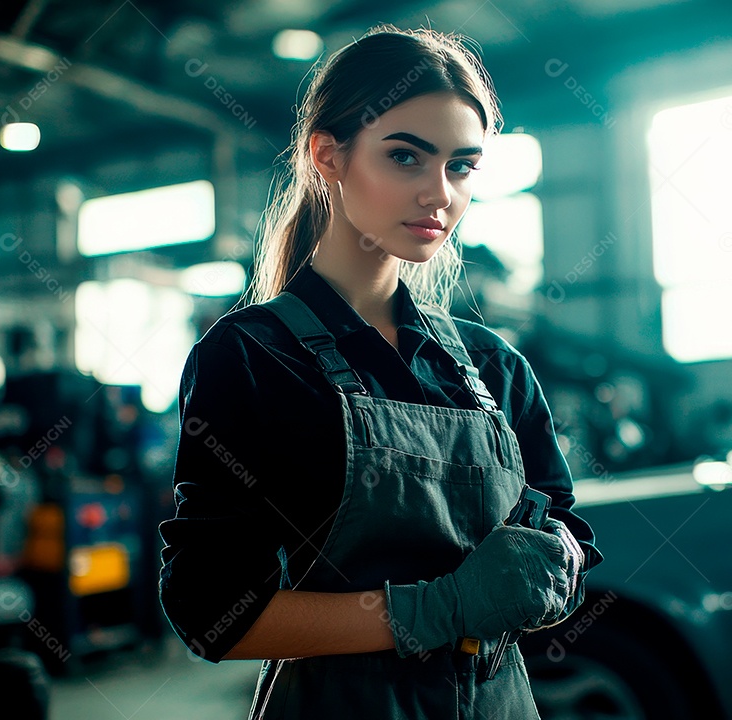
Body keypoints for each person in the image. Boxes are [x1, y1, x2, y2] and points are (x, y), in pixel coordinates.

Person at [157, 23, 604, 719]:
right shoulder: (251, 358)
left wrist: (555, 564)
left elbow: (569, 537)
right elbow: (213, 614)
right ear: (327, 155)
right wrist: (438, 607)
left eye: (460, 166)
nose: (439, 194)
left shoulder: (493, 367)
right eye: (405, 157)